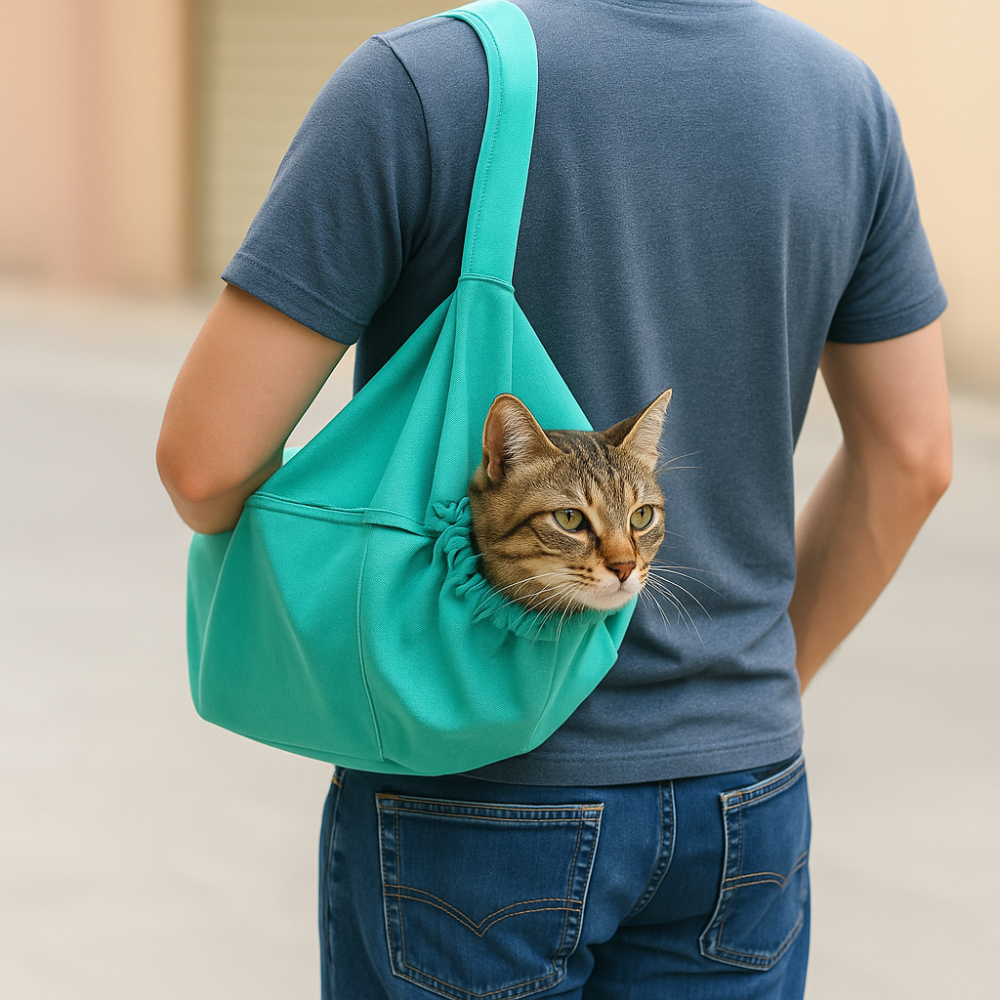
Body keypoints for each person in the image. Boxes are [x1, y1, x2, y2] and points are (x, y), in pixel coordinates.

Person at [157, 1, 952, 997]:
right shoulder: (846, 102)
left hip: (476, 784)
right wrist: (743, 683)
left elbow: (204, 463)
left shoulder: (424, 83)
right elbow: (913, 458)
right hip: (741, 793)